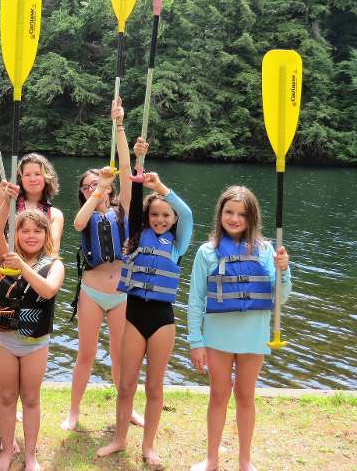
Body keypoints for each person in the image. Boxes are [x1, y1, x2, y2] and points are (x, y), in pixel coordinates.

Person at [97, 138, 193, 465]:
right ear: (147, 217)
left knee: (154, 388)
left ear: (173, 220)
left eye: (166, 215)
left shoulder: (177, 246)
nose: (160, 219)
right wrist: (138, 162)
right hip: (134, 316)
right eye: (155, 214)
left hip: (162, 320)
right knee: (126, 385)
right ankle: (119, 439)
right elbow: (134, 198)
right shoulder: (136, 236)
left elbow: (187, 213)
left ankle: (148, 446)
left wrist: (161, 187)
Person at [187, 186, 292, 471]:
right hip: (217, 337)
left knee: (245, 396)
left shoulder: (267, 251)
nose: (234, 219)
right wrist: (196, 341)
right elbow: (195, 300)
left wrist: (284, 270)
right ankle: (211, 459)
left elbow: (280, 298)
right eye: (229, 212)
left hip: (253, 337)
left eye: (242, 214)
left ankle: (245, 460)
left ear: (252, 218)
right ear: (220, 214)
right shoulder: (207, 252)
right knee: (218, 395)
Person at [61, 98, 143, 430]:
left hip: (122, 293)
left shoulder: (122, 207)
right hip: (92, 293)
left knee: (121, 355)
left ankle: (128, 410)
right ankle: (73, 411)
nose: (94, 188)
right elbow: (79, 224)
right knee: (86, 354)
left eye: (98, 183)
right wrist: (98, 191)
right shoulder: (86, 213)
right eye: (88, 186)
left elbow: (125, 163)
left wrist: (119, 125)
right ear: (84, 192)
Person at [0, 151, 64, 451]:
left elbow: (51, 254)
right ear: (20, 178)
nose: (33, 178)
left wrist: (27, 266)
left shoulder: (54, 214)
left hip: (32, 276)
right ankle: (5, 416)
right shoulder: (5, 198)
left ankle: (16, 419)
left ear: (46, 177)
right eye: (27, 174)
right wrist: (3, 201)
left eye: (38, 173)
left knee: (24, 348)